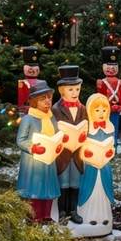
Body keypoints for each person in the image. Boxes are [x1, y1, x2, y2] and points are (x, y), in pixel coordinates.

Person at [16, 81, 62, 222]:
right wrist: (32, 147)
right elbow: (21, 140)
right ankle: (34, 216)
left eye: (49, 98)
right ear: (34, 101)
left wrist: (58, 144)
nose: (48, 101)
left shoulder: (51, 117)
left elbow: (56, 133)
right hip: (34, 161)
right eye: (43, 99)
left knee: (48, 188)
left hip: (49, 160)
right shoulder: (28, 119)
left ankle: (46, 215)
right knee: (35, 188)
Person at [74, 93, 116, 237]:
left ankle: (104, 217)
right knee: (90, 190)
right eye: (97, 110)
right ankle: (88, 216)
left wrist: (110, 152)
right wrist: (86, 153)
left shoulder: (110, 127)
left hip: (104, 166)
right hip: (90, 166)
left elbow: (112, 145)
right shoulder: (87, 127)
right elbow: (80, 145)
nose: (101, 114)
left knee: (103, 189)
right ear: (90, 112)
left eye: (104, 110)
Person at [52, 65, 87, 223]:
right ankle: (61, 212)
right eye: (71, 90)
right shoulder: (55, 110)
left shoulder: (83, 109)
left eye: (77, 89)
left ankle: (73, 210)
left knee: (75, 182)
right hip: (63, 153)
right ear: (61, 90)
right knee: (63, 182)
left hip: (77, 153)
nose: (75, 93)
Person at [96, 45, 121, 153]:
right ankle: (105, 142)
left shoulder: (120, 82)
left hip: (116, 108)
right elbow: (100, 96)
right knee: (104, 125)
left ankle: (115, 142)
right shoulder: (101, 82)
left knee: (115, 125)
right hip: (104, 108)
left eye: (114, 66)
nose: (111, 69)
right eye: (108, 66)